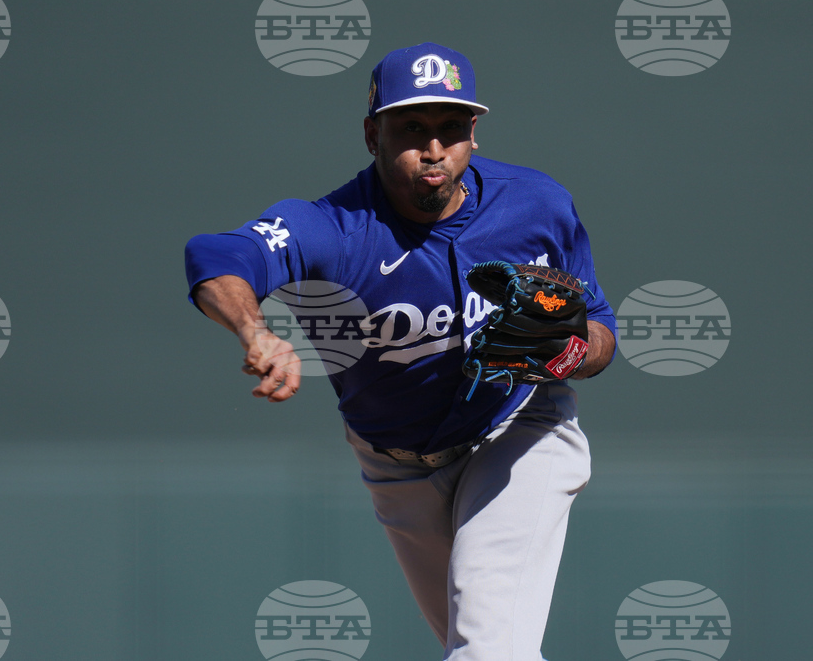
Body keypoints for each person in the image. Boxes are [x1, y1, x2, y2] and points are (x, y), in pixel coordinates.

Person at [184, 42, 616, 661]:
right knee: (483, 646)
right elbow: (218, 256)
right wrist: (254, 330)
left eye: (452, 128)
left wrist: (571, 352)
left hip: (520, 429)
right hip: (396, 467)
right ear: (372, 135)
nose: (434, 149)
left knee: (487, 649)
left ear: (474, 133)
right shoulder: (331, 228)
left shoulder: (537, 204)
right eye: (412, 129)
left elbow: (598, 326)